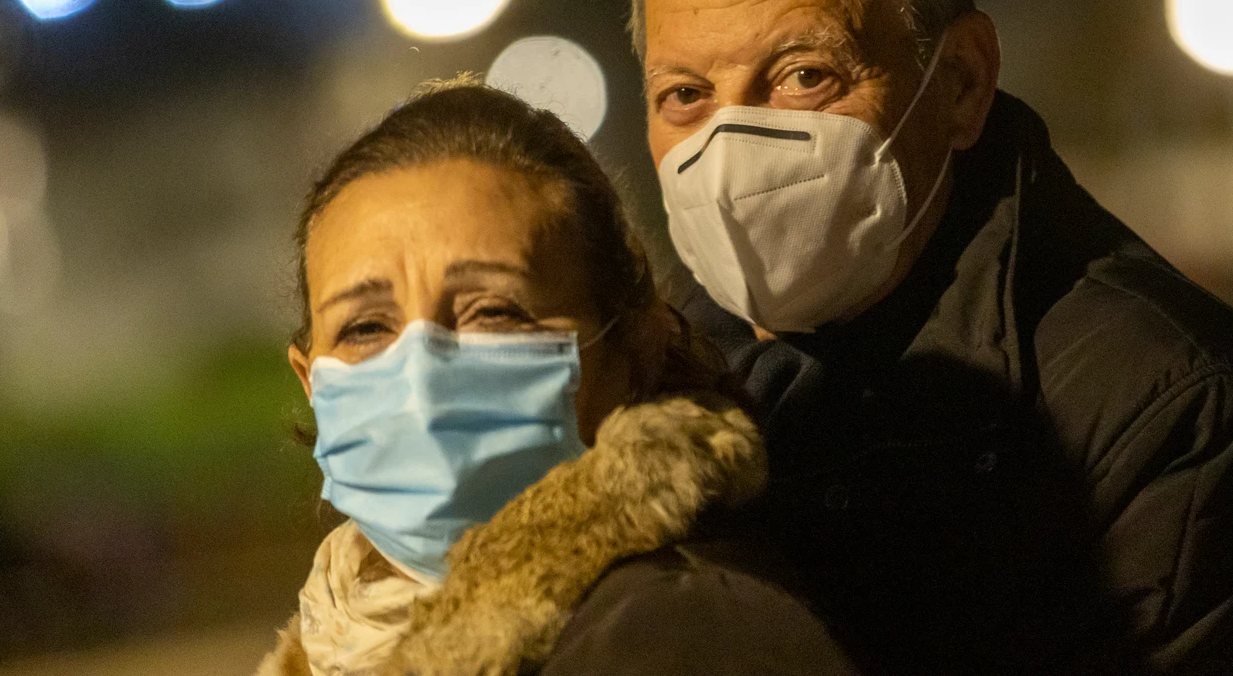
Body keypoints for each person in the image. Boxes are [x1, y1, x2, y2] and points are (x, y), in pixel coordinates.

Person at [628, 0, 1233, 675]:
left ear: (961, 80)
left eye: (805, 75)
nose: (732, 141)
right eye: (684, 94)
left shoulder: (1161, 402)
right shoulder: (649, 378)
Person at [256, 79, 859, 676]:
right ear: (311, 383)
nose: (419, 373)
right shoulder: (328, 644)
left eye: (494, 311)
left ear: (634, 351)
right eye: (365, 328)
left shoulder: (686, 634)